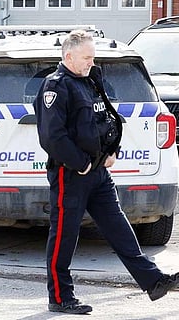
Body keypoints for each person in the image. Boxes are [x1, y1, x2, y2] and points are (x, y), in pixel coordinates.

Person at [33, 29, 179, 315]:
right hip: (71, 174)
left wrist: (113, 150)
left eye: (92, 57)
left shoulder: (90, 81)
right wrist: (82, 163)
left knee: (119, 228)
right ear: (69, 55)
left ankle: (154, 281)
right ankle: (61, 297)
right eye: (86, 57)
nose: (91, 62)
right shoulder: (56, 86)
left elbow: (105, 119)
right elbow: (52, 137)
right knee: (64, 235)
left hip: (99, 172)